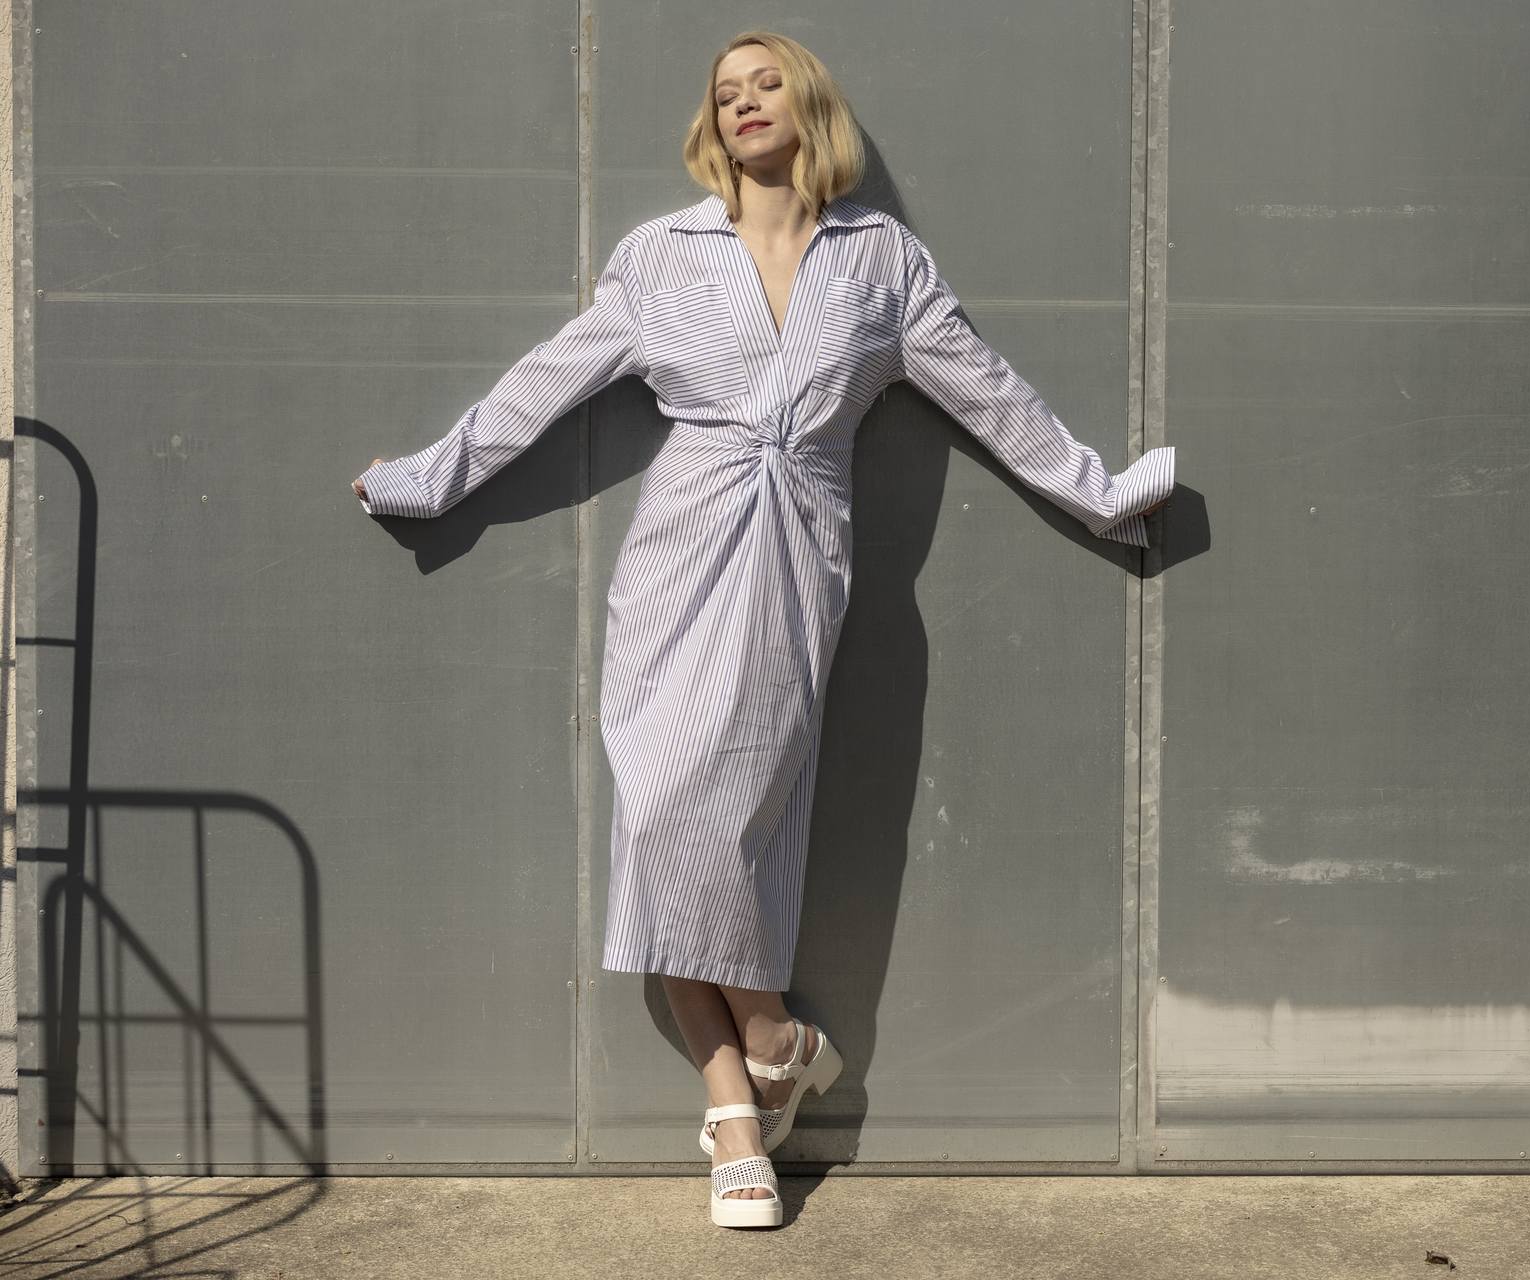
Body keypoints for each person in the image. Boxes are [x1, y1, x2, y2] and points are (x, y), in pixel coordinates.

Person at [352, 29, 1174, 1228]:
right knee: (660, 813)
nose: (743, 102)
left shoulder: (880, 260)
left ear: (808, 103)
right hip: (674, 558)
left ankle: (773, 1057)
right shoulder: (661, 254)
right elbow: (543, 381)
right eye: (725, 92)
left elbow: (990, 393)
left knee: (729, 821)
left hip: (797, 560)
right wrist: (427, 478)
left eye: (765, 82)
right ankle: (749, 1083)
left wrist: (1102, 493)